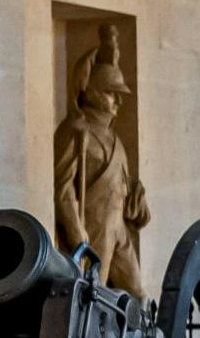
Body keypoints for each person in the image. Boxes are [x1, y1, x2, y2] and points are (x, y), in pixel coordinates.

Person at [52, 31, 151, 293]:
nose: (118, 101)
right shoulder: (75, 131)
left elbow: (121, 186)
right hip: (91, 228)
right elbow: (63, 190)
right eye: (111, 93)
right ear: (92, 92)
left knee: (137, 295)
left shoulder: (114, 138)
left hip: (117, 228)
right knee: (93, 297)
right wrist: (76, 233)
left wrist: (135, 201)